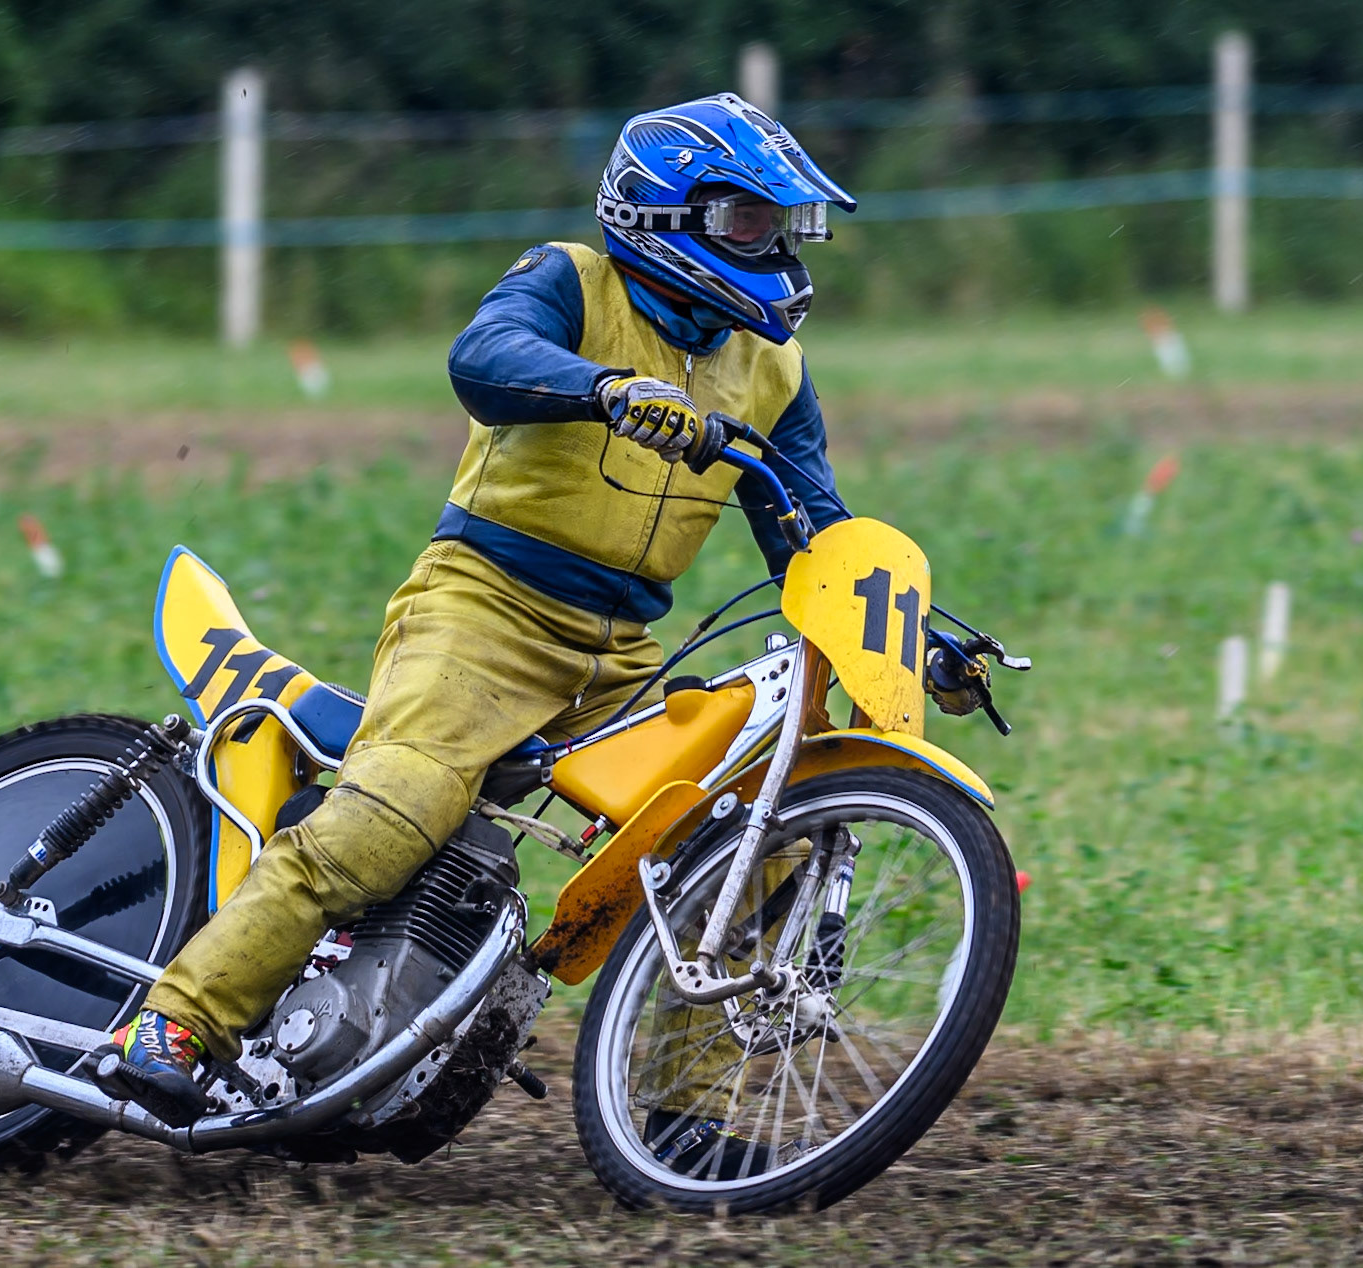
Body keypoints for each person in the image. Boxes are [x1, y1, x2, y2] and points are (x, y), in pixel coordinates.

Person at [101, 94, 860, 1148]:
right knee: (388, 813)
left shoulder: (772, 368)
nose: (768, 247)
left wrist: (908, 634)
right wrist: (602, 388)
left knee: (752, 830)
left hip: (623, 652)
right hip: (482, 608)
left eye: (777, 228)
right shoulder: (569, 279)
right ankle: (174, 1026)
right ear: (667, 216)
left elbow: (813, 529)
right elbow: (483, 358)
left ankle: (689, 1118)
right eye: (745, 223)